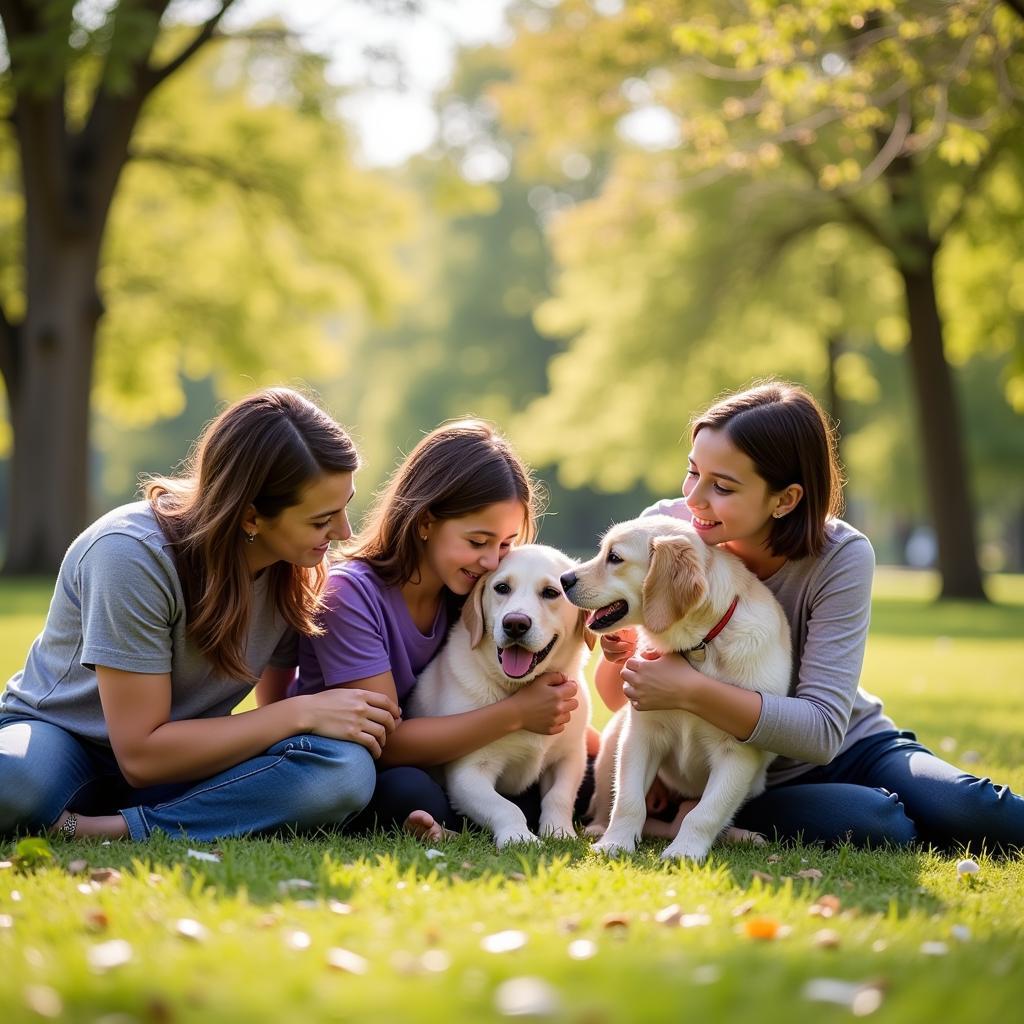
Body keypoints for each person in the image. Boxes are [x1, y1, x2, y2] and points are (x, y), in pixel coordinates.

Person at [595, 381, 1024, 852]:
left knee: (972, 807)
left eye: (722, 486)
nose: (694, 499)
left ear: (785, 499)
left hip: (853, 745)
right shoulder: (666, 535)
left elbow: (821, 731)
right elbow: (622, 700)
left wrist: (692, 689)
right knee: (883, 824)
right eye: (693, 472)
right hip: (747, 776)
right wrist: (624, 657)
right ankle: (709, 815)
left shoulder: (842, 555)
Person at [0, 388, 401, 842]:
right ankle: (140, 817)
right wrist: (301, 713)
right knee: (10, 781)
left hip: (188, 761)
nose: (344, 531)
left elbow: (277, 718)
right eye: (320, 519)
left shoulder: (298, 568)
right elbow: (142, 754)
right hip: (65, 743)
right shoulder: (130, 555)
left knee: (344, 770)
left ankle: (113, 828)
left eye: (345, 506)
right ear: (251, 517)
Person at [286, 419, 584, 843]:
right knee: (409, 790)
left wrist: (574, 726)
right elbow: (385, 742)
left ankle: (458, 821)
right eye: (478, 541)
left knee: (569, 777)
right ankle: (437, 820)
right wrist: (517, 714)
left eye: (506, 543)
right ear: (425, 522)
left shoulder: (470, 592)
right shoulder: (350, 593)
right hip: (361, 757)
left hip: (451, 750)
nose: (492, 560)